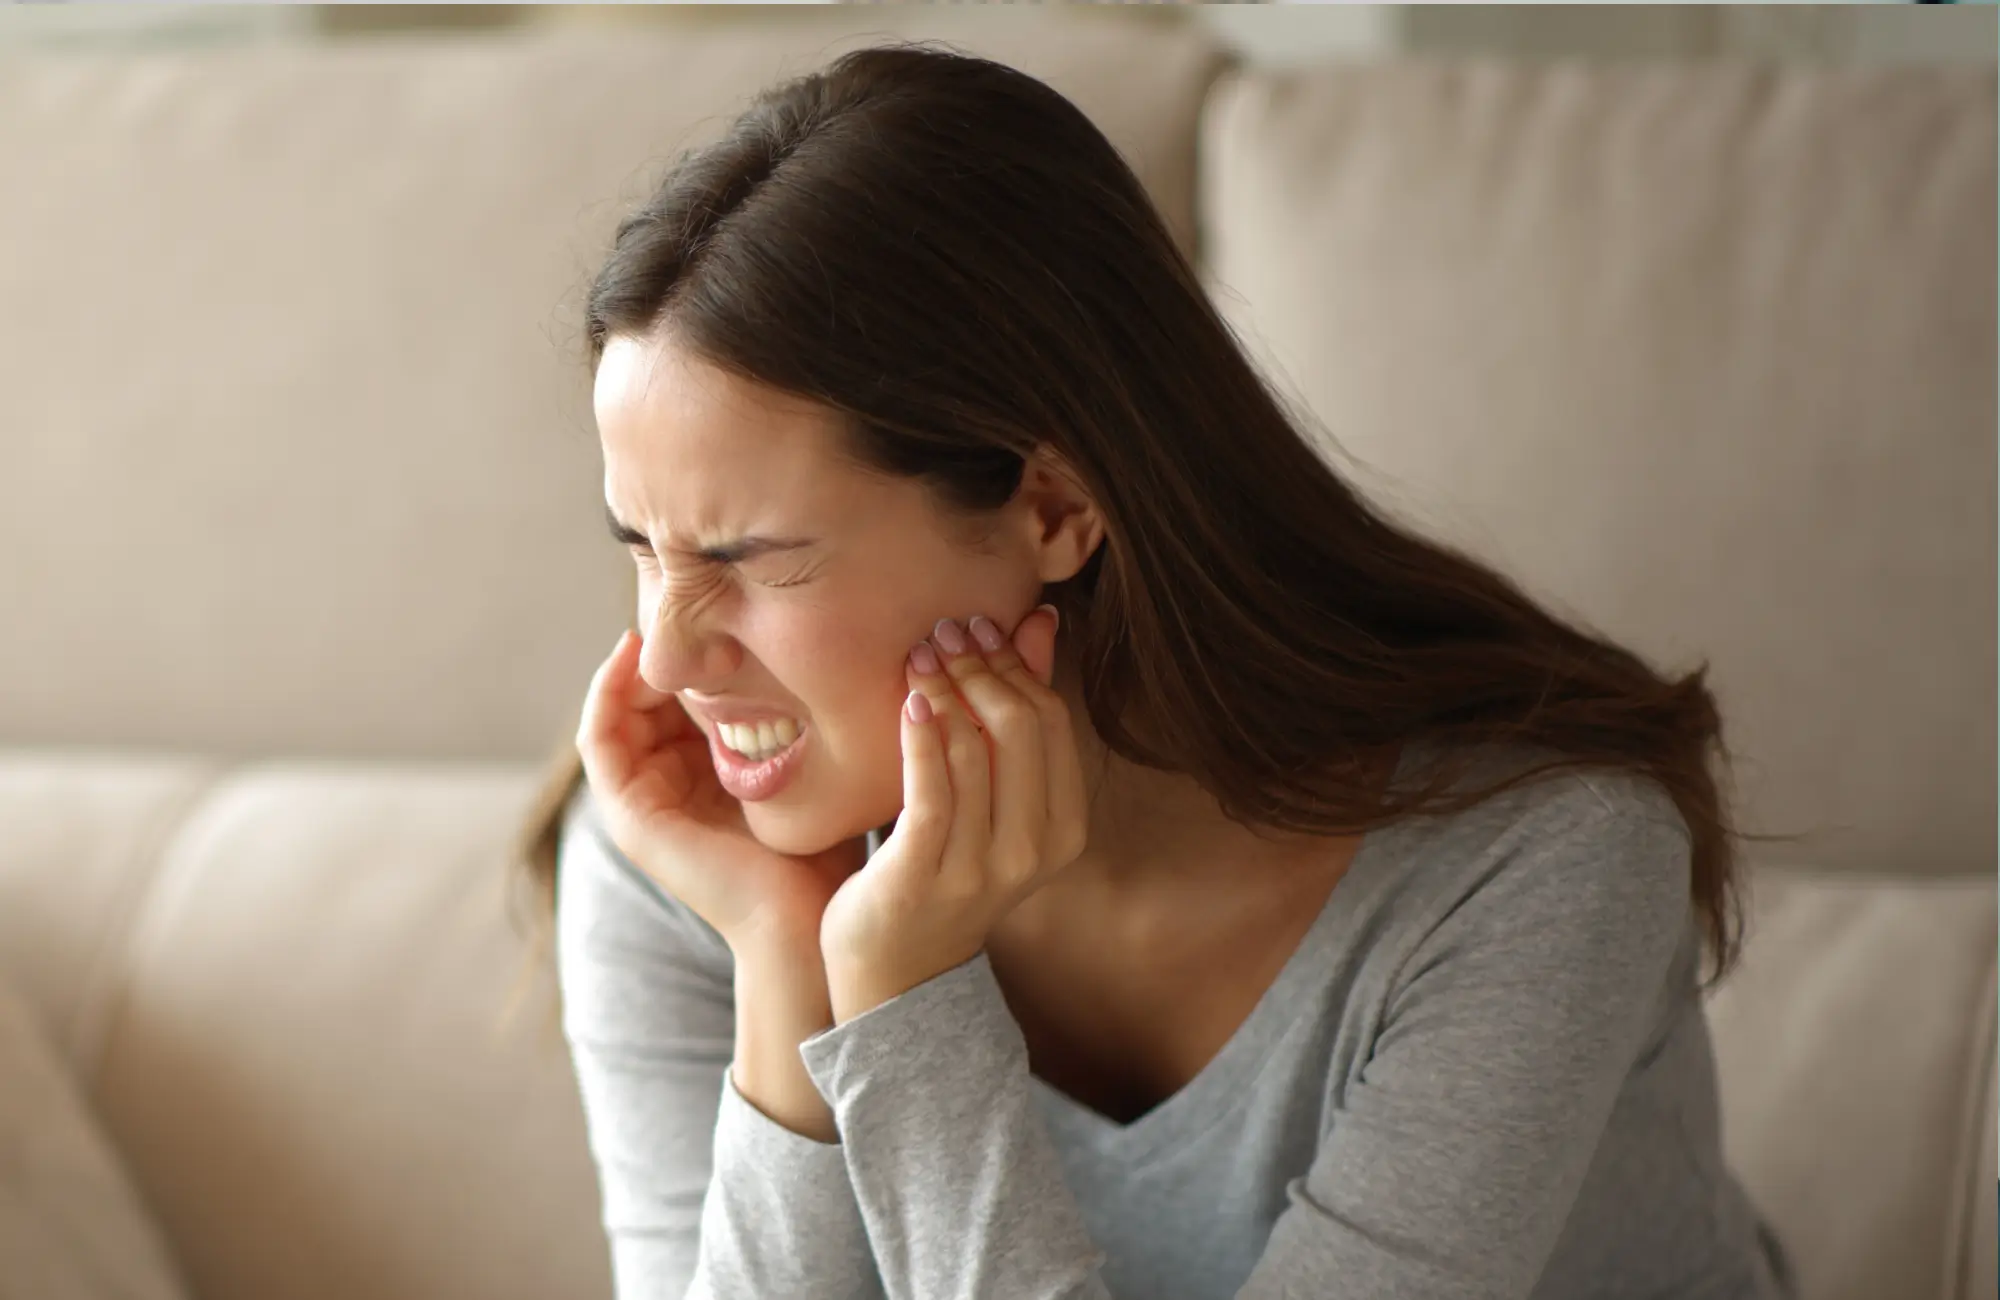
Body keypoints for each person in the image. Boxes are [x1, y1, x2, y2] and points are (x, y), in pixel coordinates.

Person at [512, 41, 1800, 1300]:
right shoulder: (686, 850)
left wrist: (904, 1003)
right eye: (641, 547)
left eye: (753, 556)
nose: (672, 655)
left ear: (1056, 507)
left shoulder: (1538, 864)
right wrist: (790, 971)